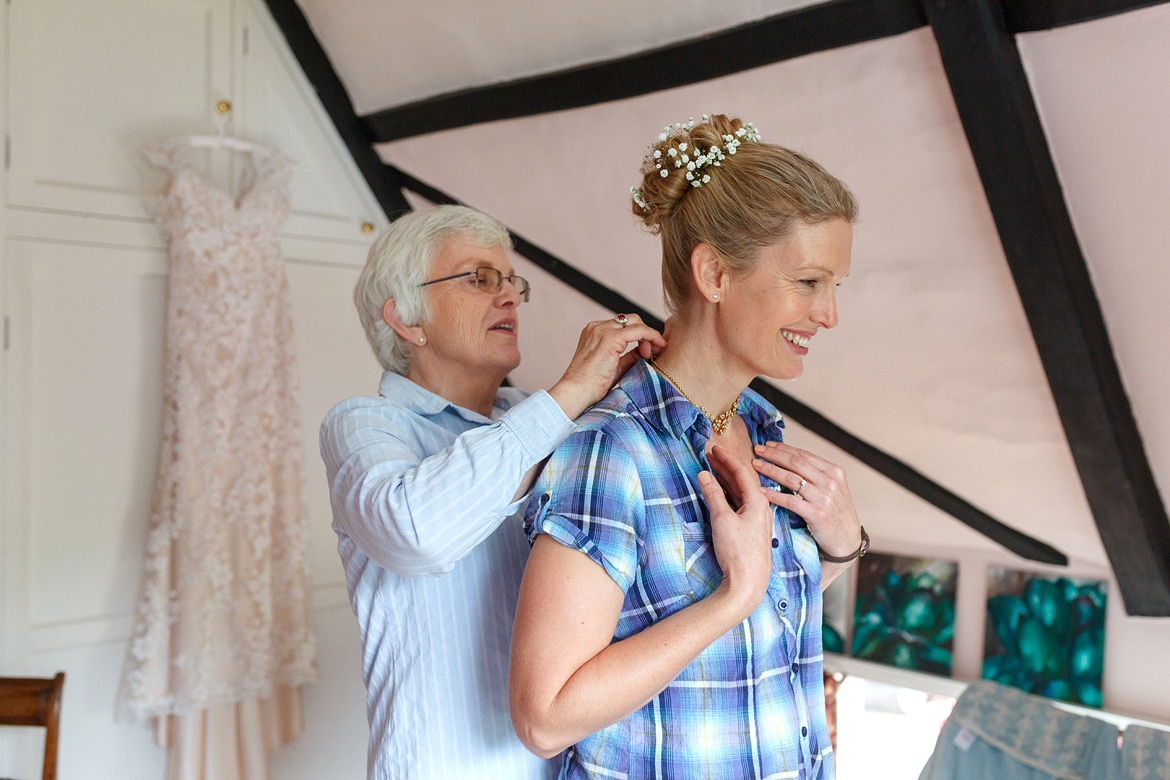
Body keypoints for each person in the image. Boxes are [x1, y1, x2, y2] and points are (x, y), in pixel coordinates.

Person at [510, 114, 866, 779]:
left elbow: (758, 629)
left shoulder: (761, 432)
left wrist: (840, 547)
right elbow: (545, 714)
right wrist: (732, 596)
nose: (829, 315)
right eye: (809, 282)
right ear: (715, 274)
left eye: (834, 287)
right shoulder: (612, 449)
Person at [319, 205, 666, 780]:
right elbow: (417, 533)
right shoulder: (363, 425)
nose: (510, 298)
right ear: (407, 319)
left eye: (513, 283)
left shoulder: (545, 420)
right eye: (481, 279)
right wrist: (573, 390)